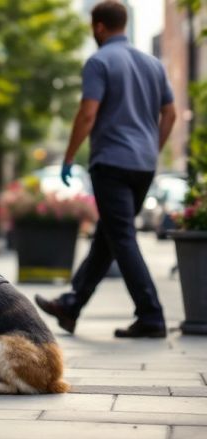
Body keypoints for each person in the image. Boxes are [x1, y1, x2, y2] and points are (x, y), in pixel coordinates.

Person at [36, 0, 176, 339]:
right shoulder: (152, 64)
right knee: (109, 236)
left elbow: (88, 113)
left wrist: (69, 156)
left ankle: (152, 315)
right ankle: (71, 304)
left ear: (98, 26)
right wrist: (150, 150)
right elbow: (169, 113)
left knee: (122, 236)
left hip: (112, 162)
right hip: (143, 165)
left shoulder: (99, 61)